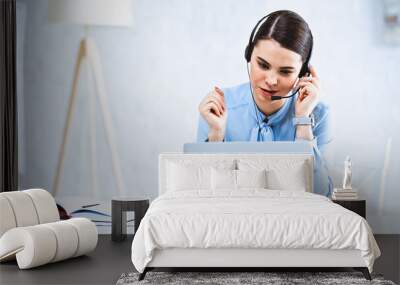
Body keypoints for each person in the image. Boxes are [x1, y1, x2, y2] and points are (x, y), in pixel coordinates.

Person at [197, 10, 332, 196]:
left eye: (285, 72)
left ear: (302, 75)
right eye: (263, 65)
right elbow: (201, 194)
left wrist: (302, 122)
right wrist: (216, 137)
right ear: (248, 56)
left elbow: (321, 195)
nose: (271, 81)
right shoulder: (217, 108)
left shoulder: (318, 114)